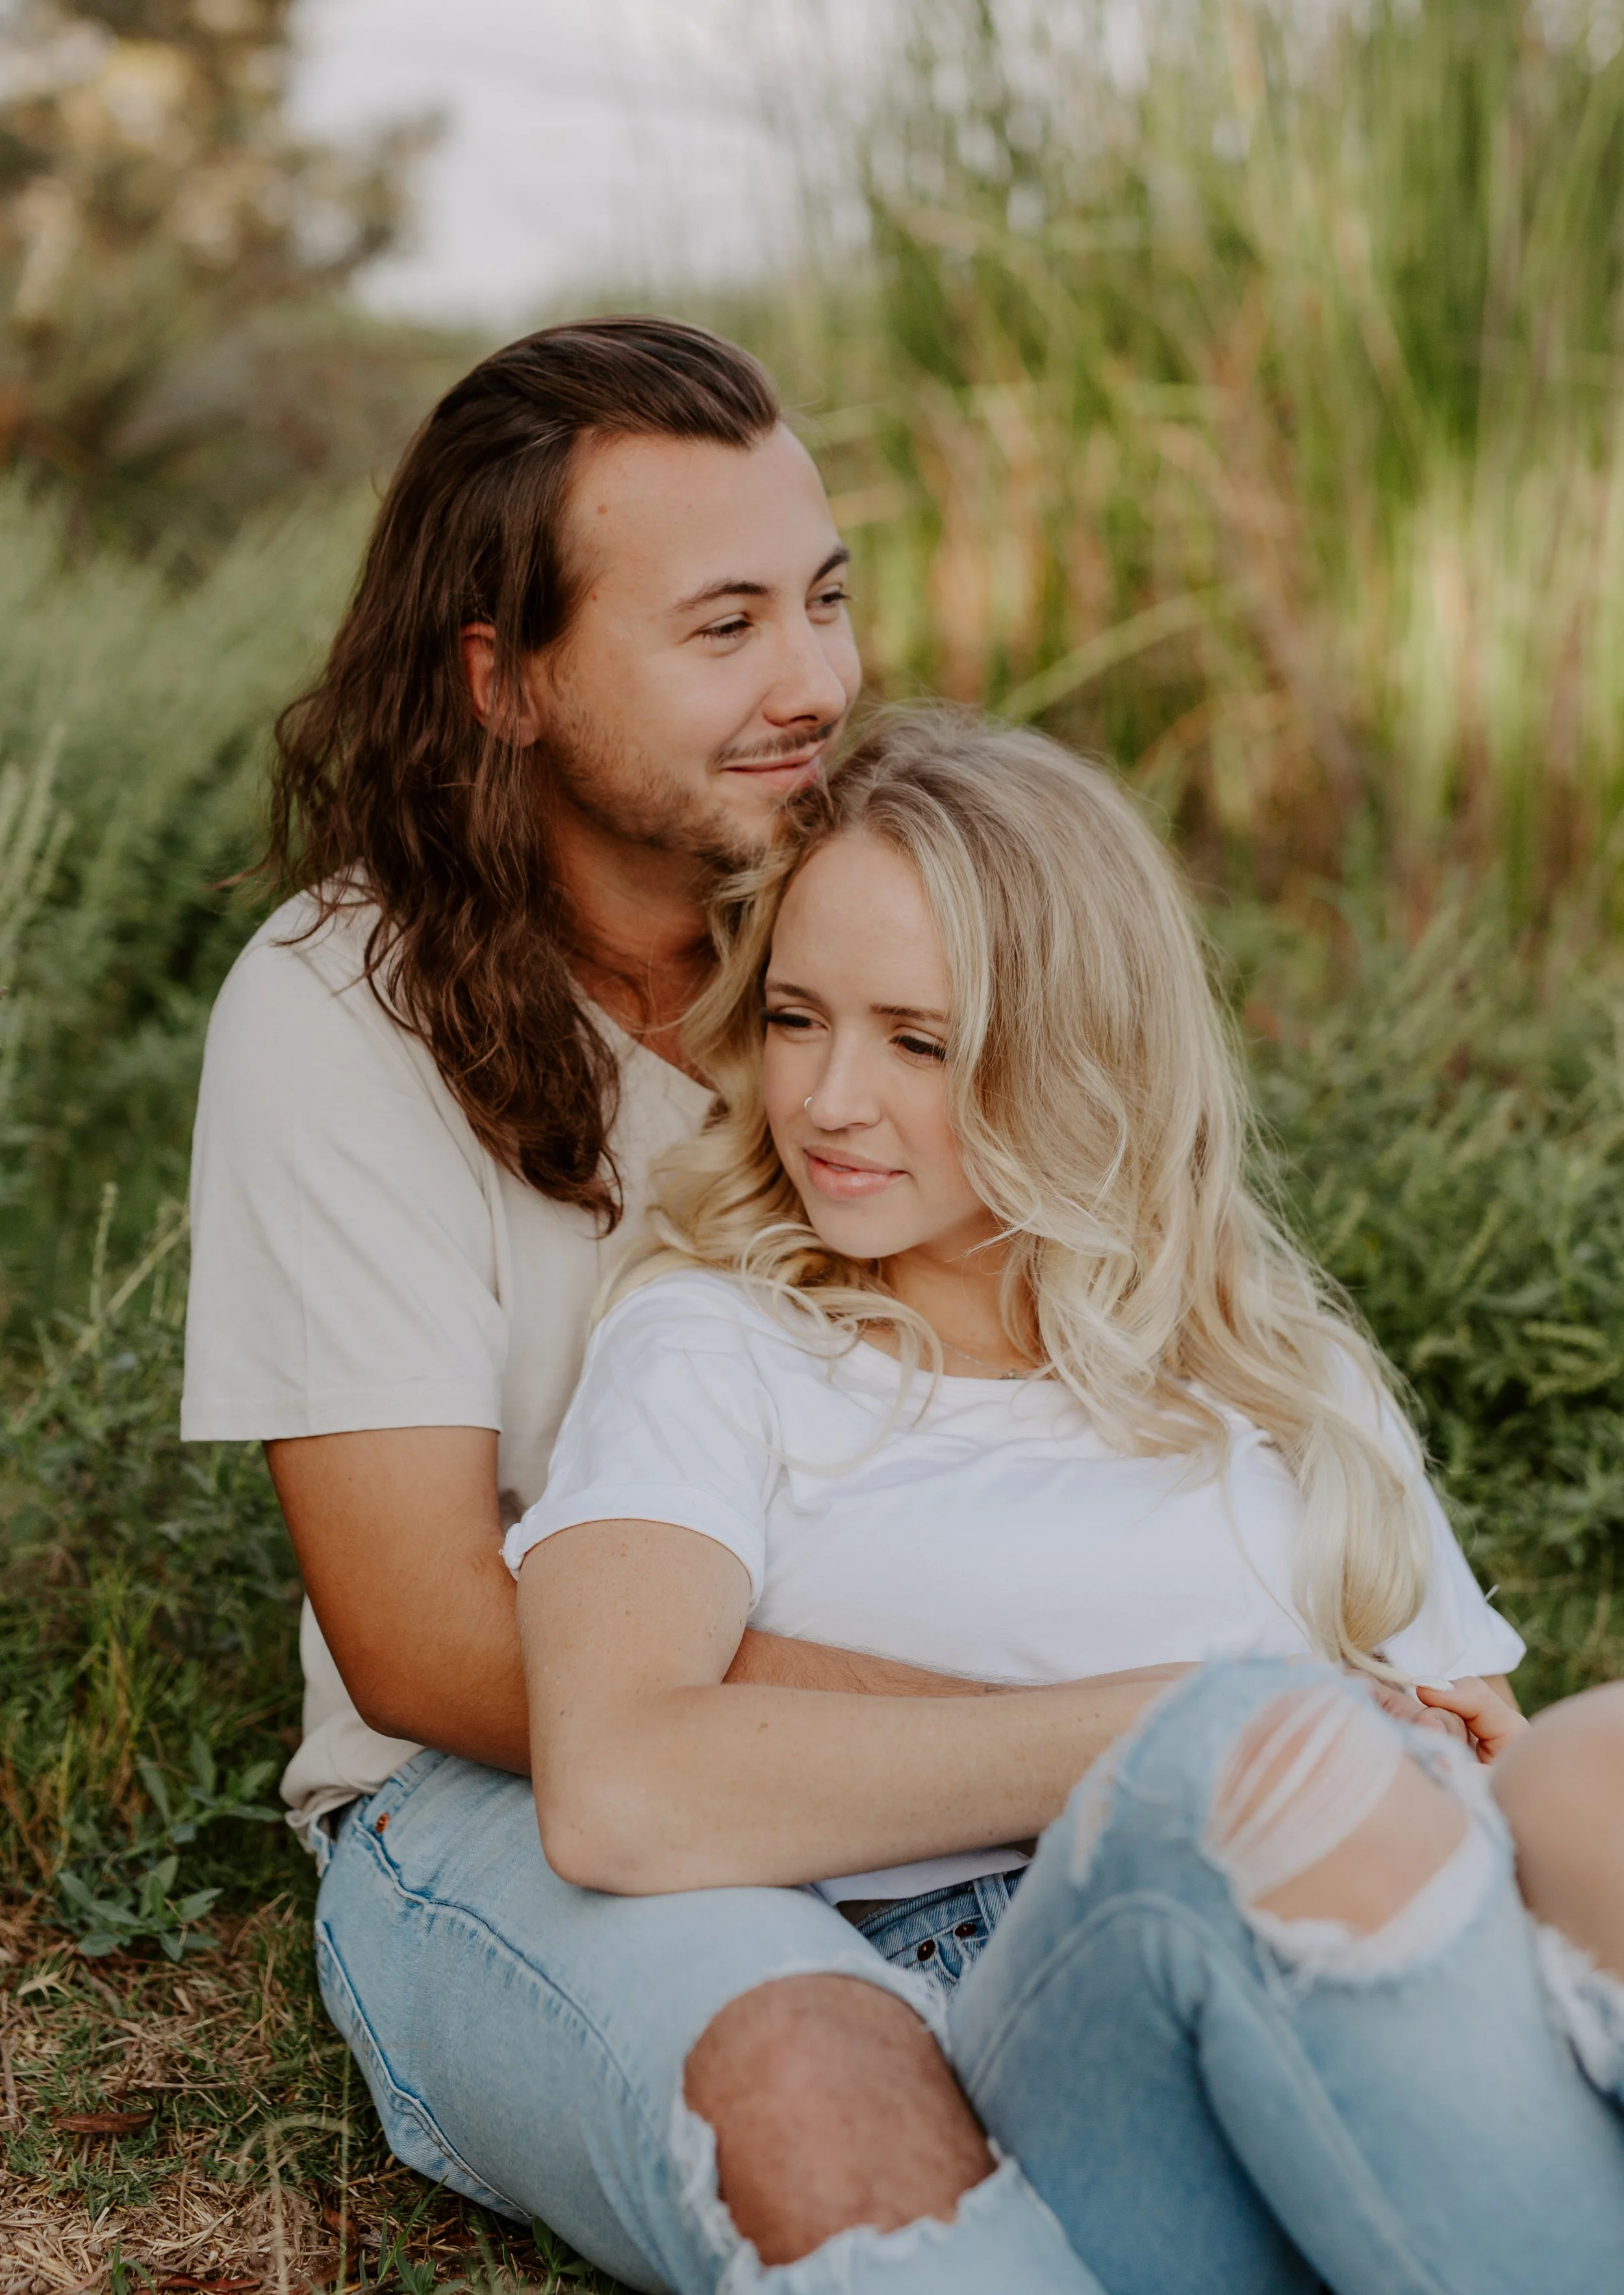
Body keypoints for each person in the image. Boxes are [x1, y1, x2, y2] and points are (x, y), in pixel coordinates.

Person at [183, 318, 1171, 2294]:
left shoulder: (882, 923)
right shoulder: (332, 1009)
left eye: (823, 597)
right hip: (504, 1798)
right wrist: (1086, 1730)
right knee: (834, 2087)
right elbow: (426, 1636)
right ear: (508, 677)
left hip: (974, 1752)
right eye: (721, 626)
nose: (813, 681)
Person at [505, 712, 1624, 2293]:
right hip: (1052, 2024)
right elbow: (615, 1782)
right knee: (1253, 1753)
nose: (827, 1098)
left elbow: (1477, 1746)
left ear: (1076, 1045)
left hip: (1398, 1985)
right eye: (799, 1017)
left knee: (1598, 1768)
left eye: (915, 1041)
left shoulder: (1276, 1372)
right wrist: (1187, 1716)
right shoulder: (719, 1344)